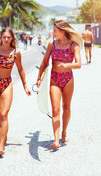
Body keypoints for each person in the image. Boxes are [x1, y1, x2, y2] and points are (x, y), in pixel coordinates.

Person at [36, 20, 82, 149]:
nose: (53, 33)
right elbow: (45, 61)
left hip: (68, 79)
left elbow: (78, 64)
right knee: (56, 109)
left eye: (55, 30)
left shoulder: (74, 45)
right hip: (54, 79)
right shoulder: (52, 44)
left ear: (62, 31)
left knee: (66, 107)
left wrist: (67, 65)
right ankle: (56, 140)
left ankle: (64, 132)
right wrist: (39, 78)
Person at [0, 27, 31, 156]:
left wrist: (25, 86)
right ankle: (3, 135)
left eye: (9, 37)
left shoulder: (15, 53)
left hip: (7, 84)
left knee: (4, 113)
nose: (6, 39)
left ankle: (1, 145)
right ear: (1, 37)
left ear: (12, 38)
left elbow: (21, 69)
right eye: (4, 37)